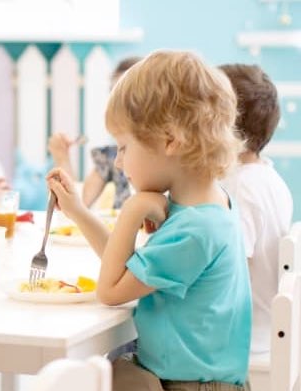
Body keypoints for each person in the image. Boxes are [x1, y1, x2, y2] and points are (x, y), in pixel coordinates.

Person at [47, 50, 251, 390]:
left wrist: (131, 209)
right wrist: (79, 212)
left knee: (90, 375)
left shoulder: (194, 231)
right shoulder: (207, 207)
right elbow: (129, 267)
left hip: (187, 386)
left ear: (170, 141)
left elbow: (111, 290)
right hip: (186, 378)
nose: (117, 162)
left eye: (123, 147)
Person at [220, 63, 294, 354]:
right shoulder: (268, 177)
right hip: (264, 332)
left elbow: (225, 272)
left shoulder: (239, 187)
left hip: (242, 342)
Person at [48, 56, 142, 209]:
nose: (119, 104)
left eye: (129, 96)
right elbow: (77, 205)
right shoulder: (110, 156)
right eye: (113, 95)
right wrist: (62, 158)